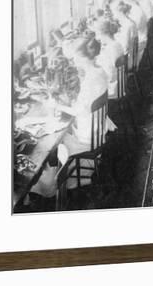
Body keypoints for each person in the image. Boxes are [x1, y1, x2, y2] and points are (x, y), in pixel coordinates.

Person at [31, 36, 109, 194]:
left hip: (88, 138)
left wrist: (57, 105)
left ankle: (56, 182)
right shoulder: (98, 71)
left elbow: (79, 110)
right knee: (57, 135)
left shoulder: (88, 82)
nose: (73, 62)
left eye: (74, 58)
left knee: (51, 143)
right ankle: (53, 177)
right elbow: (84, 104)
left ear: (80, 57)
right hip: (99, 130)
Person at [93, 18, 125, 99]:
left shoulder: (109, 49)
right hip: (120, 83)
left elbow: (109, 75)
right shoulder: (117, 44)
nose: (97, 38)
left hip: (112, 88)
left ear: (101, 33)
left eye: (97, 34)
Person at [112, 0, 138, 70]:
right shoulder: (129, 21)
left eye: (113, 12)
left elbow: (125, 47)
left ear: (119, 12)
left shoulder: (127, 25)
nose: (113, 14)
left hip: (127, 61)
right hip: (131, 55)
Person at [125, 0, 148, 65]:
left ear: (130, 0)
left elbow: (136, 28)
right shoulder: (135, 8)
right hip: (139, 38)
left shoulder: (137, 11)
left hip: (140, 40)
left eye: (125, 0)